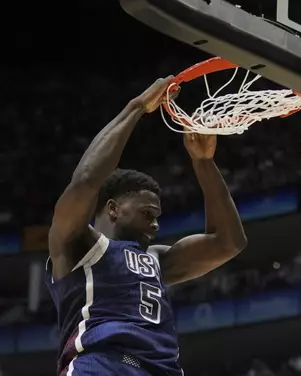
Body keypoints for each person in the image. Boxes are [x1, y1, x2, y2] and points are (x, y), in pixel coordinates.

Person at [46, 76, 247, 375]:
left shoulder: (157, 260)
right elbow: (86, 181)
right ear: (113, 209)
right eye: (147, 214)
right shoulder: (77, 246)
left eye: (157, 217)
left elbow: (228, 242)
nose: (155, 225)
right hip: (102, 365)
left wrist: (203, 163)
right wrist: (137, 108)